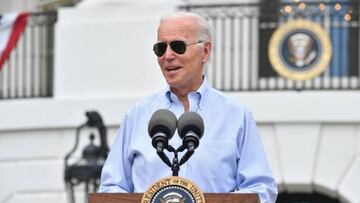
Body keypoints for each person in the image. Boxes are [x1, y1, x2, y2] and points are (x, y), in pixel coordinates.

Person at [99, 11, 278, 203]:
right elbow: (111, 187)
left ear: (205, 51)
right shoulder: (138, 114)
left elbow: (261, 188)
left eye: (178, 46)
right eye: (161, 48)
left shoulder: (236, 115)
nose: (167, 56)